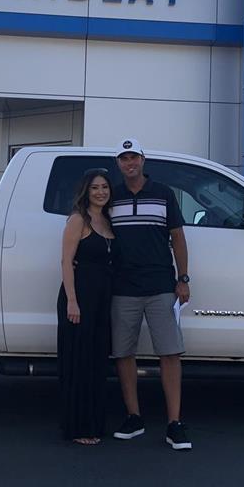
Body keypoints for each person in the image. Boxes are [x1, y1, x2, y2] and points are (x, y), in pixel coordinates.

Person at [109, 138, 192, 451]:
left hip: (160, 286)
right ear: (118, 164)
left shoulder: (163, 193)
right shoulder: (111, 197)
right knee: (123, 353)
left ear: (143, 160)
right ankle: (134, 417)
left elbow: (178, 239)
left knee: (169, 353)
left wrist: (182, 279)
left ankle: (174, 424)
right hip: (123, 287)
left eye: (134, 157)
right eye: (123, 158)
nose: (129, 163)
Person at [57, 168, 117, 445]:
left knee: (96, 362)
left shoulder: (107, 219)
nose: (101, 192)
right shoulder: (78, 219)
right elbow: (66, 262)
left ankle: (94, 424)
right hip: (79, 298)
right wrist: (72, 300)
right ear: (86, 191)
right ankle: (78, 427)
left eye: (104, 187)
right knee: (78, 363)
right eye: (95, 188)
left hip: (102, 300)